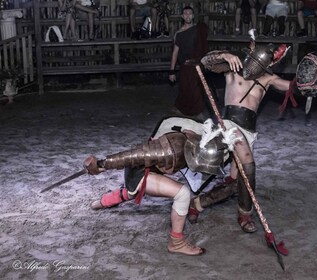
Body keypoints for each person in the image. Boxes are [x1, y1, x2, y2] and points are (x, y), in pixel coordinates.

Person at [188, 42, 292, 233]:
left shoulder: (268, 78)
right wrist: (224, 55)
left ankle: (197, 204)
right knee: (248, 162)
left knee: (237, 183)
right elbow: (206, 61)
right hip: (229, 126)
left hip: (249, 132)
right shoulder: (234, 68)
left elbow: (292, 87)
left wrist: (311, 83)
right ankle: (245, 214)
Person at [83, 121, 230, 256]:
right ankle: (177, 243)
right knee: (182, 193)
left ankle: (103, 202)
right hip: (140, 172)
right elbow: (134, 156)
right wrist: (102, 164)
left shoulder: (191, 139)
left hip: (143, 170)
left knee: (131, 192)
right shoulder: (173, 150)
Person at [169, 6, 209, 120]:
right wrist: (171, 72)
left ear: (193, 16)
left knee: (197, 90)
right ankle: (182, 109)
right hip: (185, 66)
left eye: (190, 13)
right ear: (182, 16)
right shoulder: (179, 33)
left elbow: (203, 46)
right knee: (185, 90)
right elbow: (175, 54)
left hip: (197, 65)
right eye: (185, 14)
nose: (187, 15)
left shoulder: (198, 29)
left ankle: (198, 112)